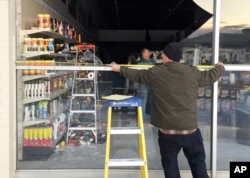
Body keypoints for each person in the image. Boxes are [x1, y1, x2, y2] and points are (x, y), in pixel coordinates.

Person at [109, 42, 225, 178]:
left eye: (163, 53)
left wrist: (119, 69)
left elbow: (137, 75)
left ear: (167, 56)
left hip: (167, 132)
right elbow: (211, 76)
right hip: (190, 131)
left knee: (170, 166)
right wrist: (220, 67)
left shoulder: (156, 73)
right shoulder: (191, 72)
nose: (161, 55)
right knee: (198, 164)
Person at [136, 48, 154, 120]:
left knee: (148, 99)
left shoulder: (148, 62)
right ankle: (142, 117)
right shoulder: (141, 63)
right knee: (144, 99)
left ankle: (146, 115)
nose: (149, 53)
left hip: (148, 83)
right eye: (148, 52)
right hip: (142, 84)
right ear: (143, 54)